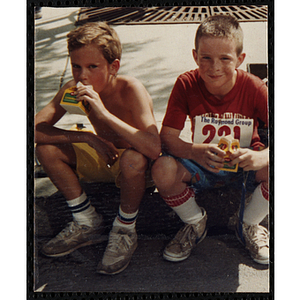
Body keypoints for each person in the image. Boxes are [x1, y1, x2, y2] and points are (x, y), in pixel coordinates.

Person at [35, 22, 161, 275]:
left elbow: (153, 148)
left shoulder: (130, 88)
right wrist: (86, 138)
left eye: (93, 67)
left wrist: (103, 113)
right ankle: (86, 221)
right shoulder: (73, 89)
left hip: (137, 168)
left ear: (113, 67)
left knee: (133, 159)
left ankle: (125, 229)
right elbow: (35, 128)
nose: (83, 76)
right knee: (46, 149)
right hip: (106, 157)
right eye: (76, 66)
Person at [151, 15, 269, 265]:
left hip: (245, 168)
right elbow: (168, 137)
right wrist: (195, 151)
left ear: (240, 59)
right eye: (206, 58)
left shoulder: (256, 88)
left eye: (225, 58)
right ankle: (194, 222)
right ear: (195, 56)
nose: (214, 67)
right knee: (162, 168)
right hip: (203, 164)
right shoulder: (186, 83)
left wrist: (261, 156)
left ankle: (248, 223)